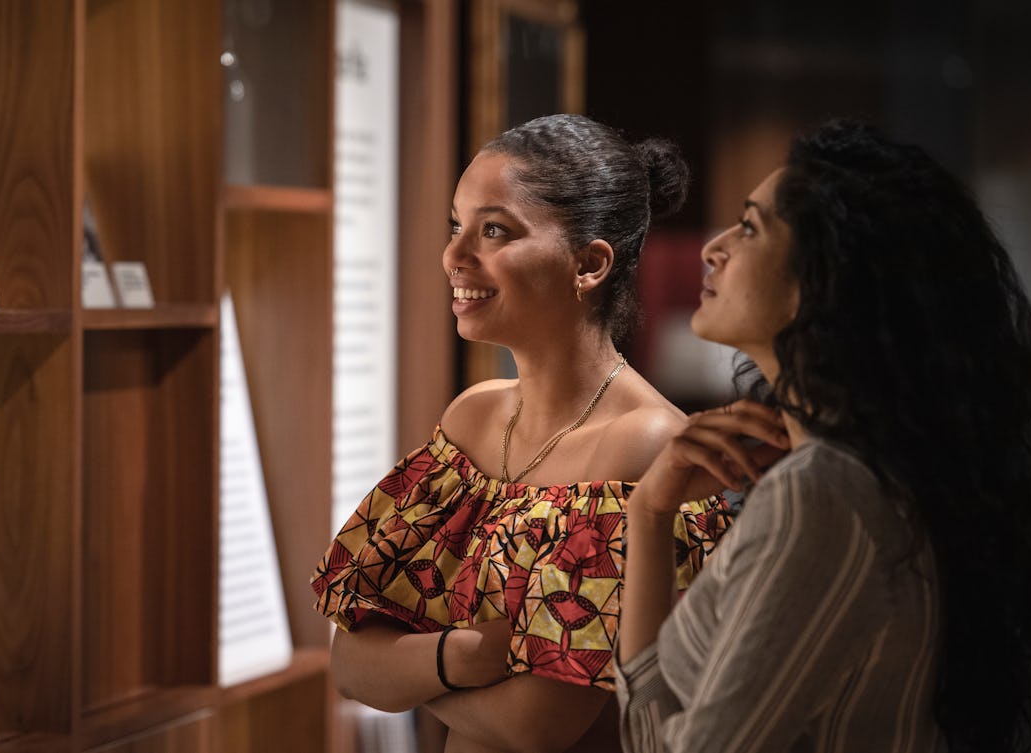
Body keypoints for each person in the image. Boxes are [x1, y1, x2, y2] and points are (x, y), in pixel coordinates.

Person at [616, 119, 1031, 753]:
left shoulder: (821, 494)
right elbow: (648, 735)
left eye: (750, 227)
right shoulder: (850, 478)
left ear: (826, 276)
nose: (712, 247)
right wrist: (649, 514)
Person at [311, 114, 729, 753]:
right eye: (458, 225)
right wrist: (468, 655)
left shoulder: (643, 443)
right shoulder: (473, 416)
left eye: (494, 230)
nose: (454, 256)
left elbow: (536, 724)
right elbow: (351, 663)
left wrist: (413, 669)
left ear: (588, 264)